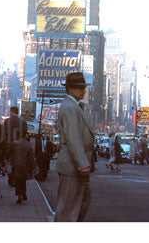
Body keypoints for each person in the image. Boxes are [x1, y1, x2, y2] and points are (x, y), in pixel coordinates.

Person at [54, 72, 94, 222]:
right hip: (73, 167)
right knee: (67, 210)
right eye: (80, 87)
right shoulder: (70, 107)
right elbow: (73, 138)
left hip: (75, 166)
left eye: (84, 87)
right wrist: (82, 164)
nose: (83, 90)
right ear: (70, 89)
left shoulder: (75, 106)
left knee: (83, 200)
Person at [6, 125, 36, 204]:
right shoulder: (28, 146)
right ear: (25, 135)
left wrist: (7, 160)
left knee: (17, 180)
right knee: (23, 180)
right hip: (25, 166)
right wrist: (33, 167)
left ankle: (20, 195)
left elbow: (8, 153)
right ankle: (23, 192)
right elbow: (31, 158)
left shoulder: (14, 144)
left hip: (16, 165)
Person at [3, 106, 27, 186]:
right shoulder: (23, 122)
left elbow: (4, 133)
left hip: (9, 144)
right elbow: (25, 134)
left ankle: (10, 177)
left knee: (9, 161)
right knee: (17, 162)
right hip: (19, 145)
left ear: (12, 112)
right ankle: (15, 179)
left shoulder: (6, 121)